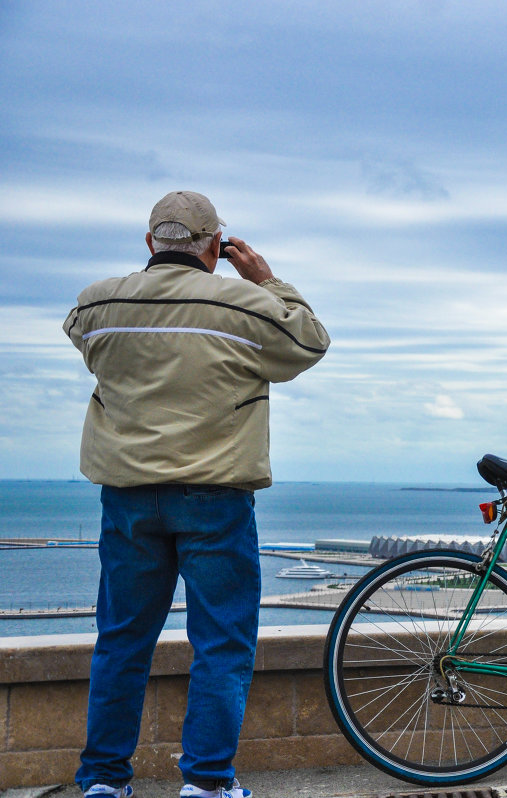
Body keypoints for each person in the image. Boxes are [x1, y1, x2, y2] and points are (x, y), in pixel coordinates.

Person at [63, 191, 330, 798]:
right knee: (221, 645)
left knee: (122, 642)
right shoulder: (244, 304)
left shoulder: (99, 302)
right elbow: (309, 342)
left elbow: (79, 336)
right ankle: (207, 784)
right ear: (215, 247)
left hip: (127, 498)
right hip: (215, 497)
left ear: (151, 242)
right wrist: (269, 282)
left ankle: (103, 782)